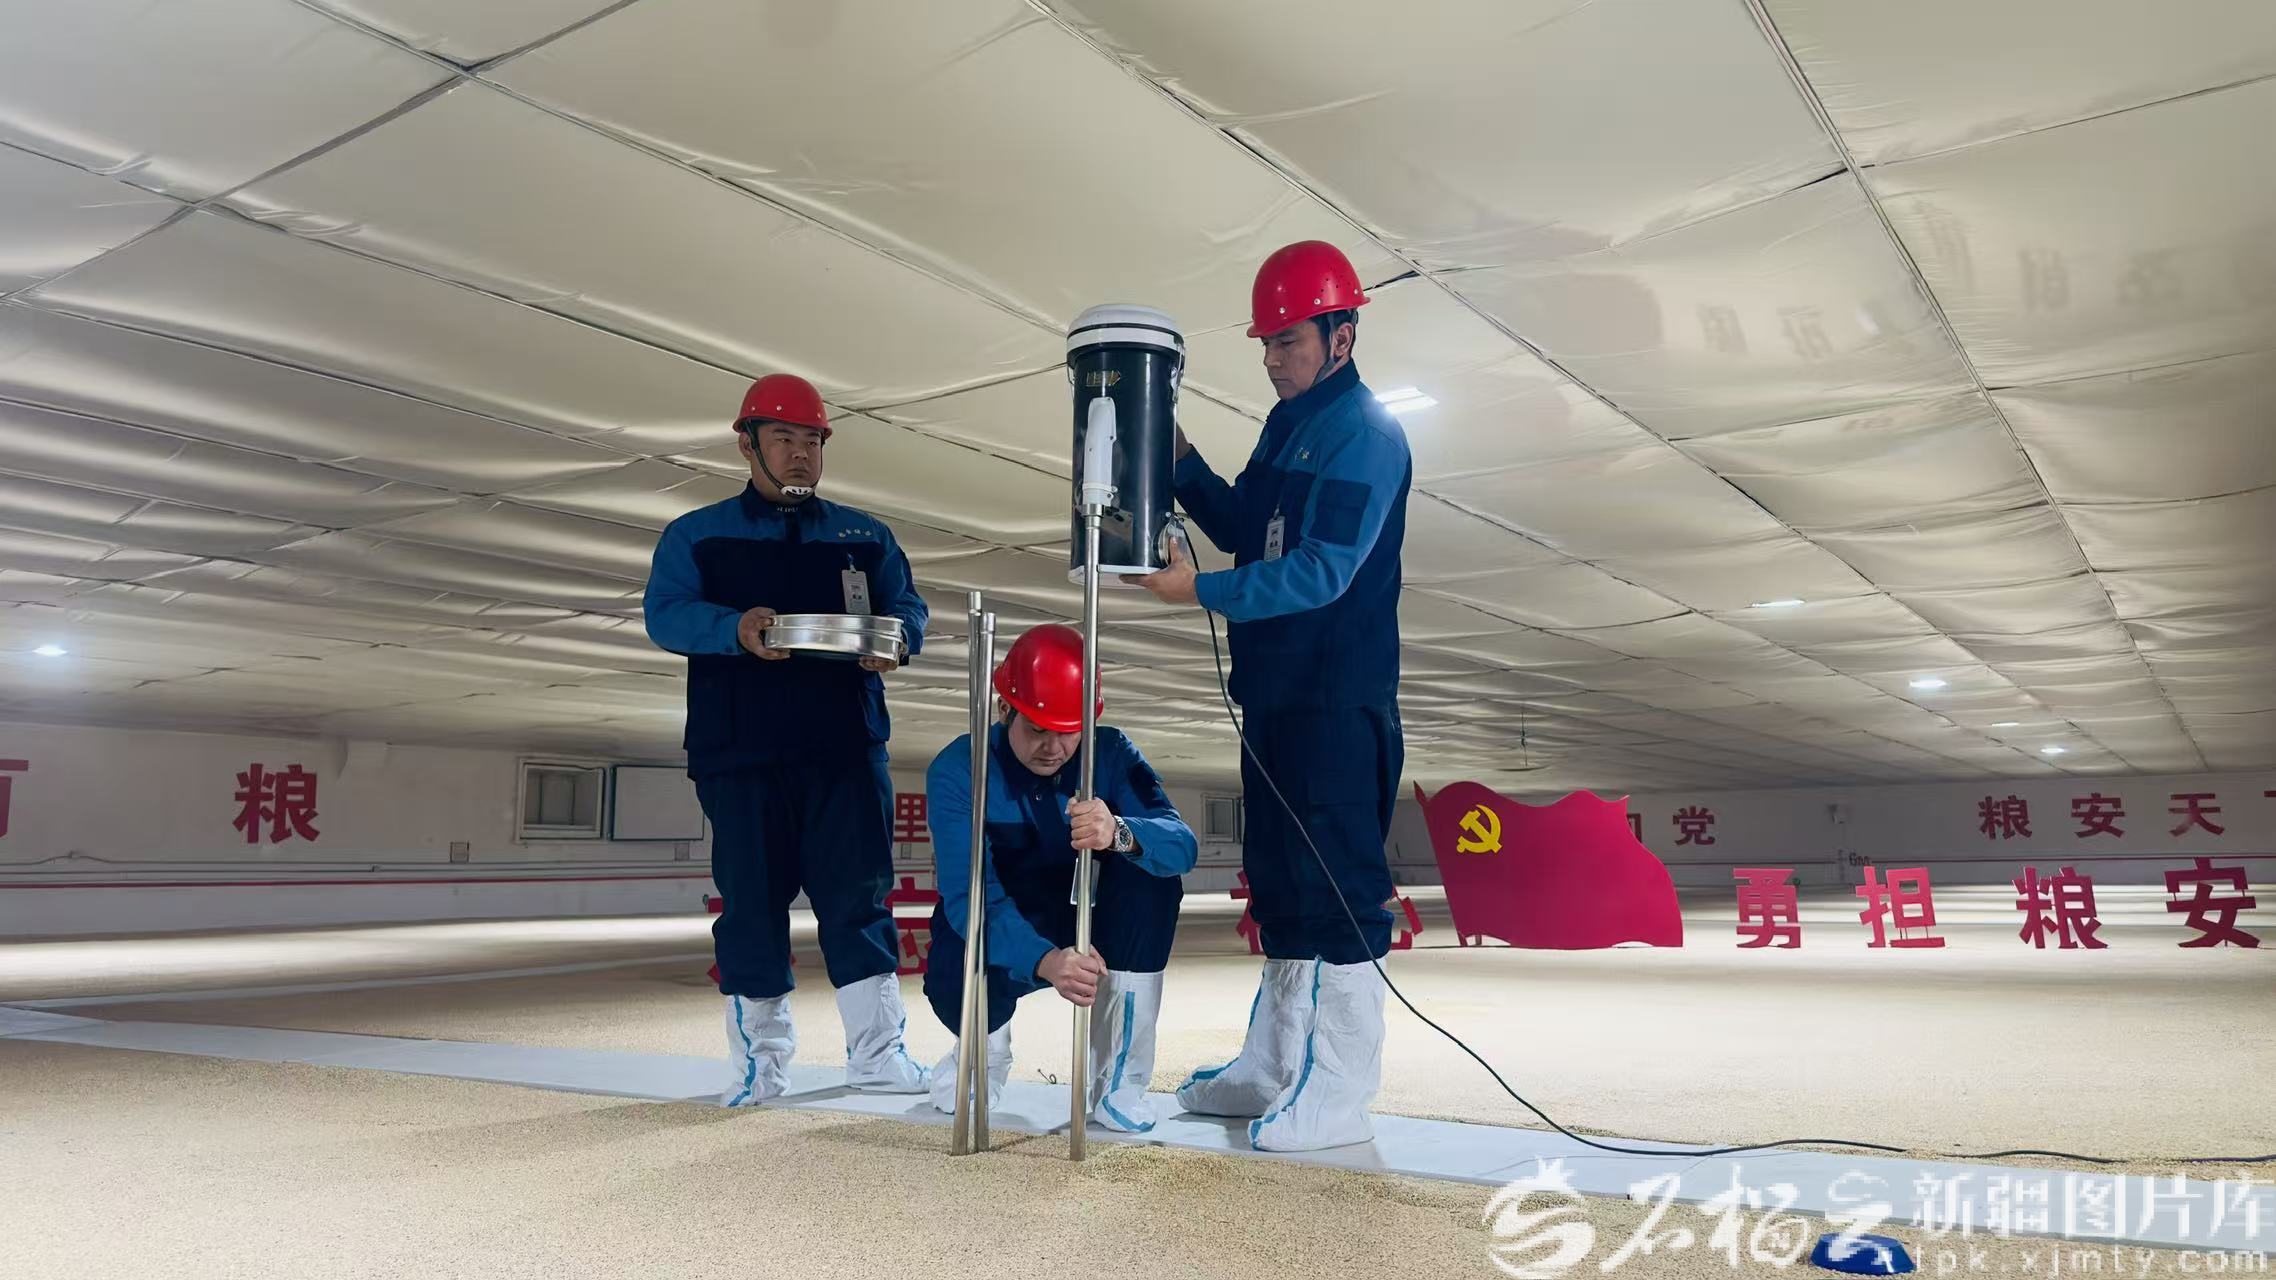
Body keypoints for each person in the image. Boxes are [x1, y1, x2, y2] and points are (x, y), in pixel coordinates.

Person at [1127, 240, 1411, 1152]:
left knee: (1341, 894)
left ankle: (1340, 1092)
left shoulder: (1366, 434)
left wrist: (1198, 592)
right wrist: (1177, 457)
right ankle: (1274, 1067)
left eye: (1287, 341)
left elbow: (1322, 571)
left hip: (1336, 703)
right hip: (1277, 700)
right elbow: (1247, 525)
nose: (1272, 358)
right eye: (1266, 343)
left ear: (1341, 336)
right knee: (1283, 887)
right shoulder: (1288, 424)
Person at [643, 372, 931, 1105]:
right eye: (783, 438)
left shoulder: (863, 536)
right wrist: (732, 628)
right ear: (747, 445)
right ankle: (760, 1064)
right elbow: (664, 614)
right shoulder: (697, 536)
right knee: (752, 903)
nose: (801, 454)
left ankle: (878, 1057)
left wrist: (898, 640)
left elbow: (908, 608)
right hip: (741, 753)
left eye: (812, 440)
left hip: (845, 747)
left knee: (861, 898)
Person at [920, 624, 1195, 1132]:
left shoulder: (1111, 752)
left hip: (1087, 912)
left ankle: (1118, 1082)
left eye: (1069, 730)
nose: (1053, 747)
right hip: (1005, 916)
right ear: (1004, 710)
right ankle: (985, 1051)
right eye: (1037, 729)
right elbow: (966, 897)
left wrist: (1120, 832)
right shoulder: (959, 770)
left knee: (1153, 876)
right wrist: (1046, 961)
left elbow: (1183, 846)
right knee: (953, 962)